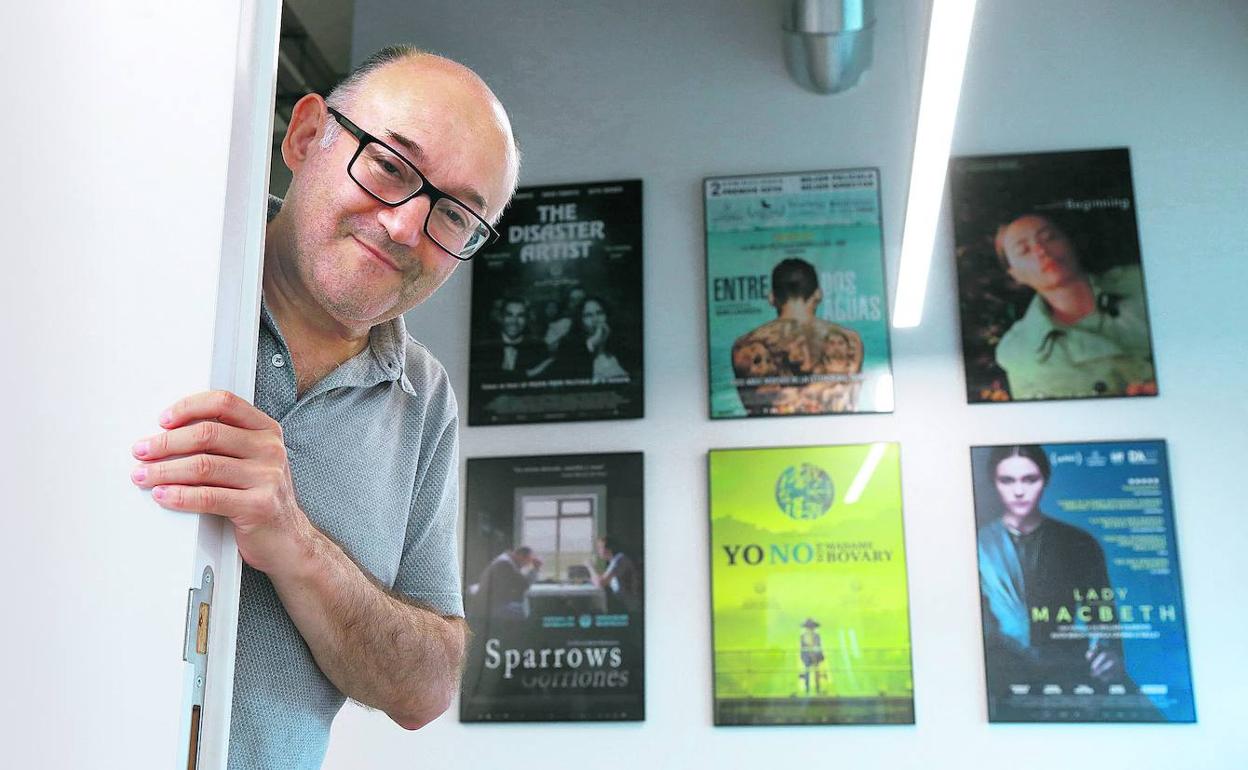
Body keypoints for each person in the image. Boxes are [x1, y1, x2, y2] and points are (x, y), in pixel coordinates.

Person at [127, 46, 520, 768]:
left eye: (455, 214)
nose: (405, 227)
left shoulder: (424, 400)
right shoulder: (145, 272)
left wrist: (295, 543)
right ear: (307, 136)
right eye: (390, 167)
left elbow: (425, 689)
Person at [977, 445, 1128, 696]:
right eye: (1007, 480)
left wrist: (1108, 652)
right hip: (1001, 669)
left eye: (1030, 479)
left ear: (1044, 480)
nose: (1018, 491)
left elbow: (1101, 613)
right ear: (994, 483)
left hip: (1069, 667)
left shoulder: (1078, 542)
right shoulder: (979, 544)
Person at [991, 212, 1156, 400]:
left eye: (1049, 238)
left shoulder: (1142, 283)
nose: (1040, 250)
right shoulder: (1019, 350)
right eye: (1024, 250)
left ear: (1069, 242)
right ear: (1014, 275)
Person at [730, 258, 864, 415]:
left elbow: (752, 406)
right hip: (834, 434)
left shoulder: (745, 345)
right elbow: (851, 400)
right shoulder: (850, 340)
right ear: (818, 295)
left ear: (772, 298)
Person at [554, 295, 630, 383]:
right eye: (588, 315)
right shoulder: (568, 344)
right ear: (580, 321)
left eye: (600, 313)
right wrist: (592, 343)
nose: (595, 319)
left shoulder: (619, 340)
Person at [478, 297, 553, 382]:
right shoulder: (485, 346)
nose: (514, 321)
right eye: (509, 315)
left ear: (527, 319)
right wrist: (527, 374)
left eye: (520, 316)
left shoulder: (539, 347)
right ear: (501, 317)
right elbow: (483, 379)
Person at [474, 546, 543, 620]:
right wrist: (536, 569)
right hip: (492, 607)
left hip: (493, 603)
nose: (526, 565)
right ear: (520, 556)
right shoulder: (504, 565)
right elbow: (523, 584)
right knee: (524, 612)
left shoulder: (505, 561)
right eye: (527, 561)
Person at [590, 536, 641, 613]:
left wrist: (590, 567)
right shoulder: (614, 561)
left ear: (609, 549)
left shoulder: (620, 560)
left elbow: (600, 582)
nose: (598, 551)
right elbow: (601, 579)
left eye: (600, 548)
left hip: (630, 606)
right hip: (621, 602)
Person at [798, 618, 827, 695]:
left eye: (812, 627)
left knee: (817, 673)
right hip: (807, 657)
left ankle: (817, 689)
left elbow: (818, 646)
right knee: (807, 672)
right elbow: (802, 648)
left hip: (816, 656)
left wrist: (817, 655)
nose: (811, 628)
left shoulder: (817, 636)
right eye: (809, 627)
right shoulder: (803, 636)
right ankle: (807, 689)